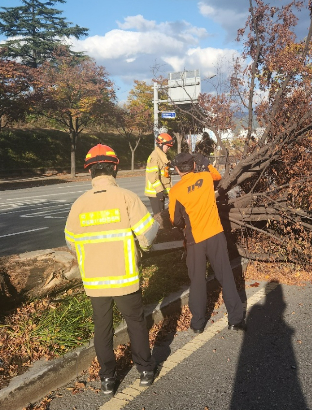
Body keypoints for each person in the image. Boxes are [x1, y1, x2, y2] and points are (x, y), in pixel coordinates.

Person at [65, 144, 158, 396]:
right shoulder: (127, 198)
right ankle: (145, 371)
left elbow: (70, 242)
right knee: (136, 323)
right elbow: (148, 234)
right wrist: (143, 249)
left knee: (102, 328)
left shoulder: (79, 204)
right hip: (125, 277)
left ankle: (107, 379)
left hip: (95, 281)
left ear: (90, 172)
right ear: (115, 167)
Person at [168, 152, 245, 333]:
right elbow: (217, 176)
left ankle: (198, 324)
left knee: (197, 281)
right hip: (216, 234)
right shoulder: (205, 177)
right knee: (225, 275)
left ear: (177, 170)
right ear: (194, 166)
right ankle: (236, 319)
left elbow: (175, 220)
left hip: (195, 240)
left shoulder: (175, 191)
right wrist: (204, 161)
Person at [145, 132, 174, 215]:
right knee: (159, 218)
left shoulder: (162, 156)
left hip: (160, 192)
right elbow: (153, 176)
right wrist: (159, 191)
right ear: (161, 144)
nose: (169, 148)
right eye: (167, 146)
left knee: (162, 215)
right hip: (156, 193)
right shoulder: (155, 157)